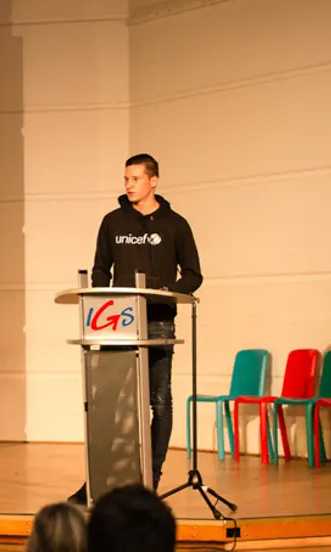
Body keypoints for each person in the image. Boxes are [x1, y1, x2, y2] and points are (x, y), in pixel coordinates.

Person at [69, 153, 202, 504]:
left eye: (135, 178)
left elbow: (193, 274)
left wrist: (167, 290)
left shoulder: (176, 224)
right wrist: (102, 300)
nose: (128, 185)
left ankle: (151, 479)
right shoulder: (113, 222)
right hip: (119, 322)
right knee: (106, 403)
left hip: (157, 322)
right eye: (126, 179)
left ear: (153, 180)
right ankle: (97, 480)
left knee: (160, 401)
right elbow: (101, 269)